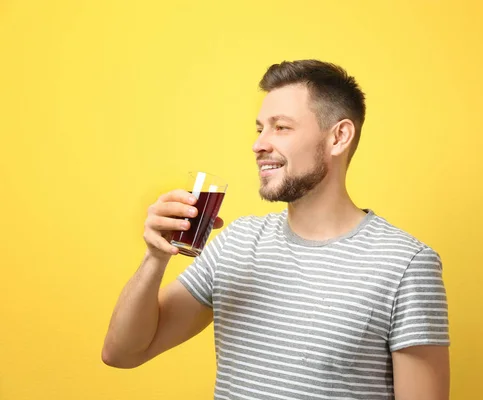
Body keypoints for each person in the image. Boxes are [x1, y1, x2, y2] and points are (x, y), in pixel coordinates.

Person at [102, 59, 451, 399]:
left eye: (281, 127)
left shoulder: (406, 265)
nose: (259, 144)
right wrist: (154, 258)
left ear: (339, 137)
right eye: (259, 129)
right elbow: (122, 353)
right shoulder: (237, 244)